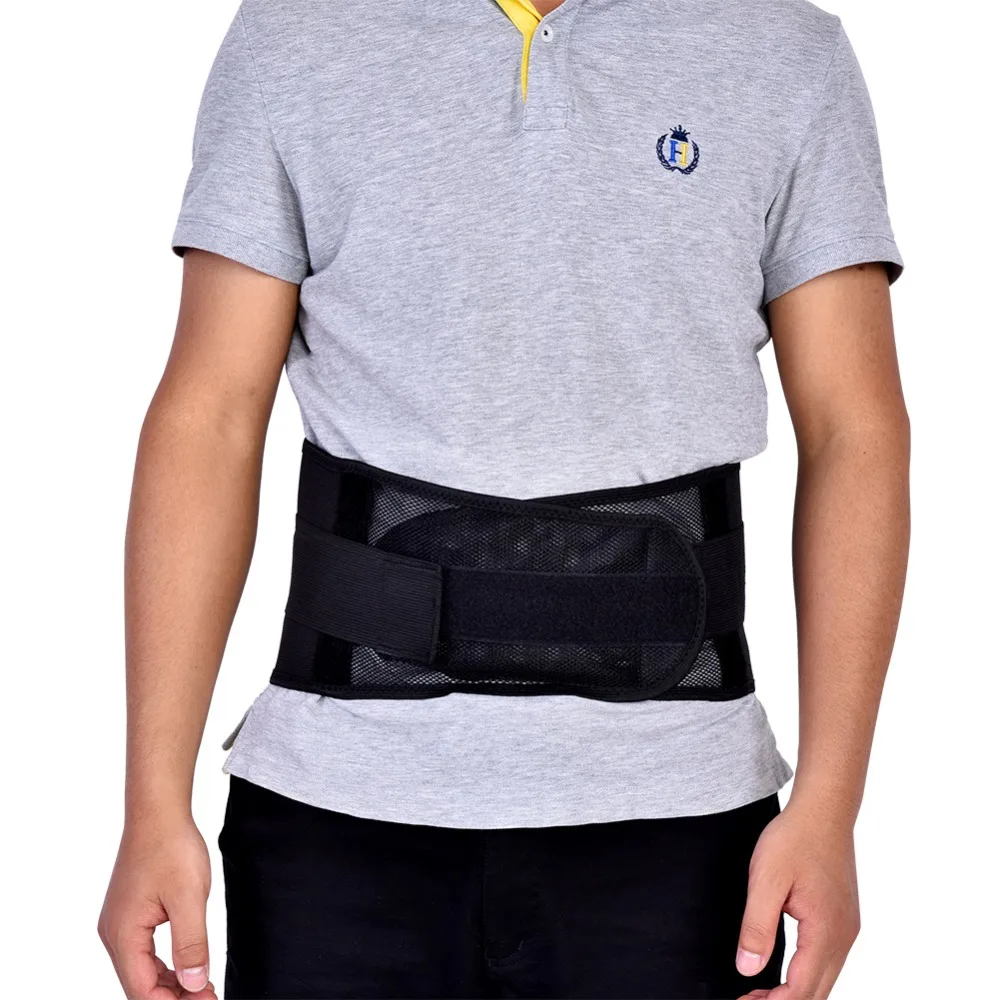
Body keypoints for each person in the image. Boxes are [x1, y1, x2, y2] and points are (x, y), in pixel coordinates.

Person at [98, 0, 910, 997]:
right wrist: (152, 804)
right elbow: (210, 417)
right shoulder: (295, 35)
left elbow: (854, 434)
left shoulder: (786, 52)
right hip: (336, 819)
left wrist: (830, 807)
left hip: (677, 829)